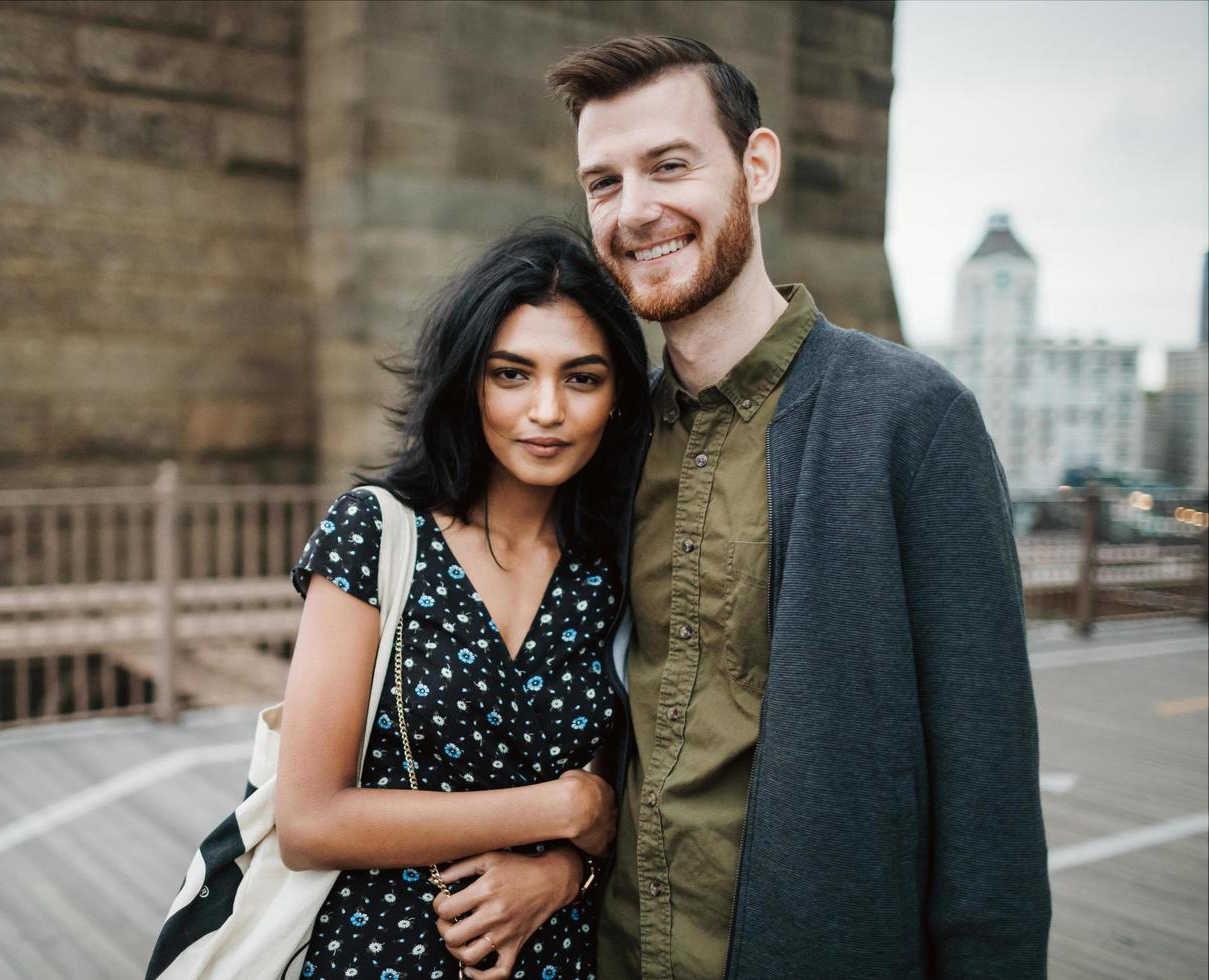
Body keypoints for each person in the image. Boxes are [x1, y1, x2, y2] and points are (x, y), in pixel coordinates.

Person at [436, 35, 1053, 979]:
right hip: (614, 955)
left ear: (755, 167)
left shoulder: (912, 422)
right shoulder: (614, 436)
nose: (636, 210)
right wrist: (561, 859)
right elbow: (614, 712)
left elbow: (988, 793)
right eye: (603, 183)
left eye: (670, 166)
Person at [276, 222, 650, 979]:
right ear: (468, 382)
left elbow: (625, 798)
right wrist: (559, 811)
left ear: (616, 400)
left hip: (559, 957)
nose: (547, 409)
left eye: (582, 378)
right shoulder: (376, 535)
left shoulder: (614, 569)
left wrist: (562, 874)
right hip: (375, 958)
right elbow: (308, 821)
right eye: (512, 374)